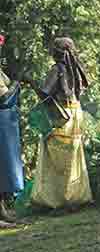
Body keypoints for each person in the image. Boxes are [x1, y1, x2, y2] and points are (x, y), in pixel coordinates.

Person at [28, 37, 93, 210]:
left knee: (56, 160)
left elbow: (45, 94)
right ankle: (74, 197)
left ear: (57, 52)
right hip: (75, 114)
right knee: (73, 157)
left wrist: (30, 82)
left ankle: (56, 200)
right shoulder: (76, 70)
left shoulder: (57, 69)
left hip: (60, 117)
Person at [0, 35, 24, 229]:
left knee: (4, 168)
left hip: (6, 123)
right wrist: (16, 83)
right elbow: (3, 97)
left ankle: (3, 212)